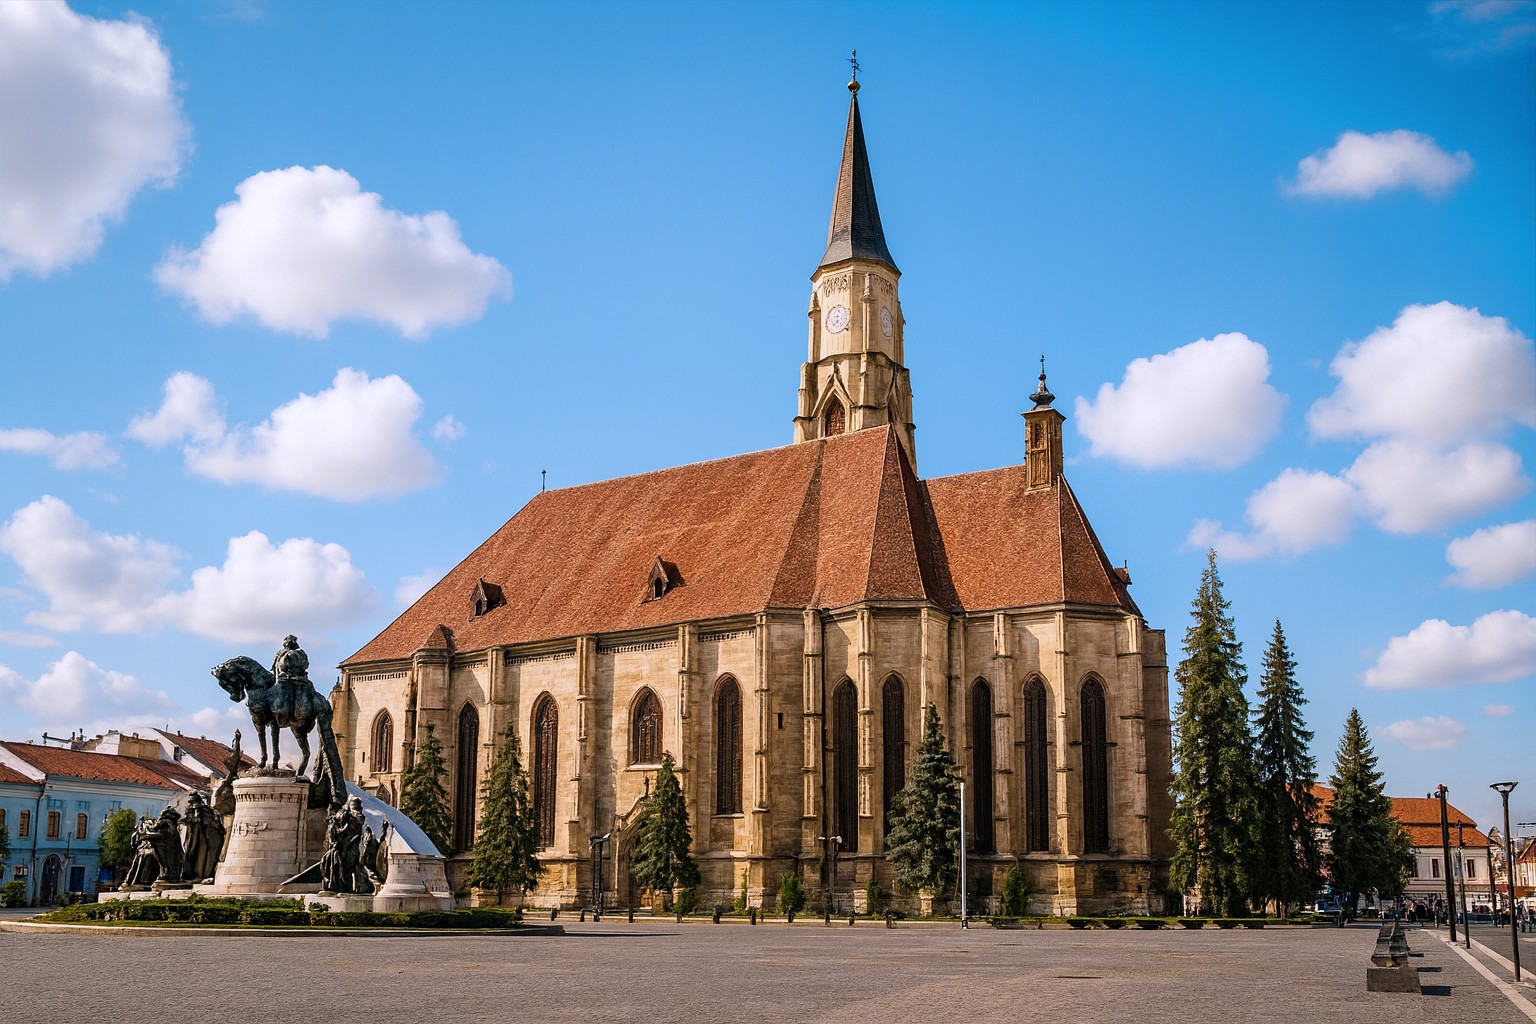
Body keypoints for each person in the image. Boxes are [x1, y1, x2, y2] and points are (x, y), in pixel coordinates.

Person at [180, 792, 225, 883]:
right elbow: (188, 820)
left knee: (202, 855)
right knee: (190, 853)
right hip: (192, 836)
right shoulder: (190, 811)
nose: (194, 806)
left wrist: (196, 819)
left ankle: (200, 875)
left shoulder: (207, 811)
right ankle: (189, 875)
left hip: (204, 837)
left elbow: (210, 822)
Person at [270, 634, 310, 721]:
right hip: (290, 679)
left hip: (289, 680)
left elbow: (304, 665)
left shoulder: (297, 654)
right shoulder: (282, 653)